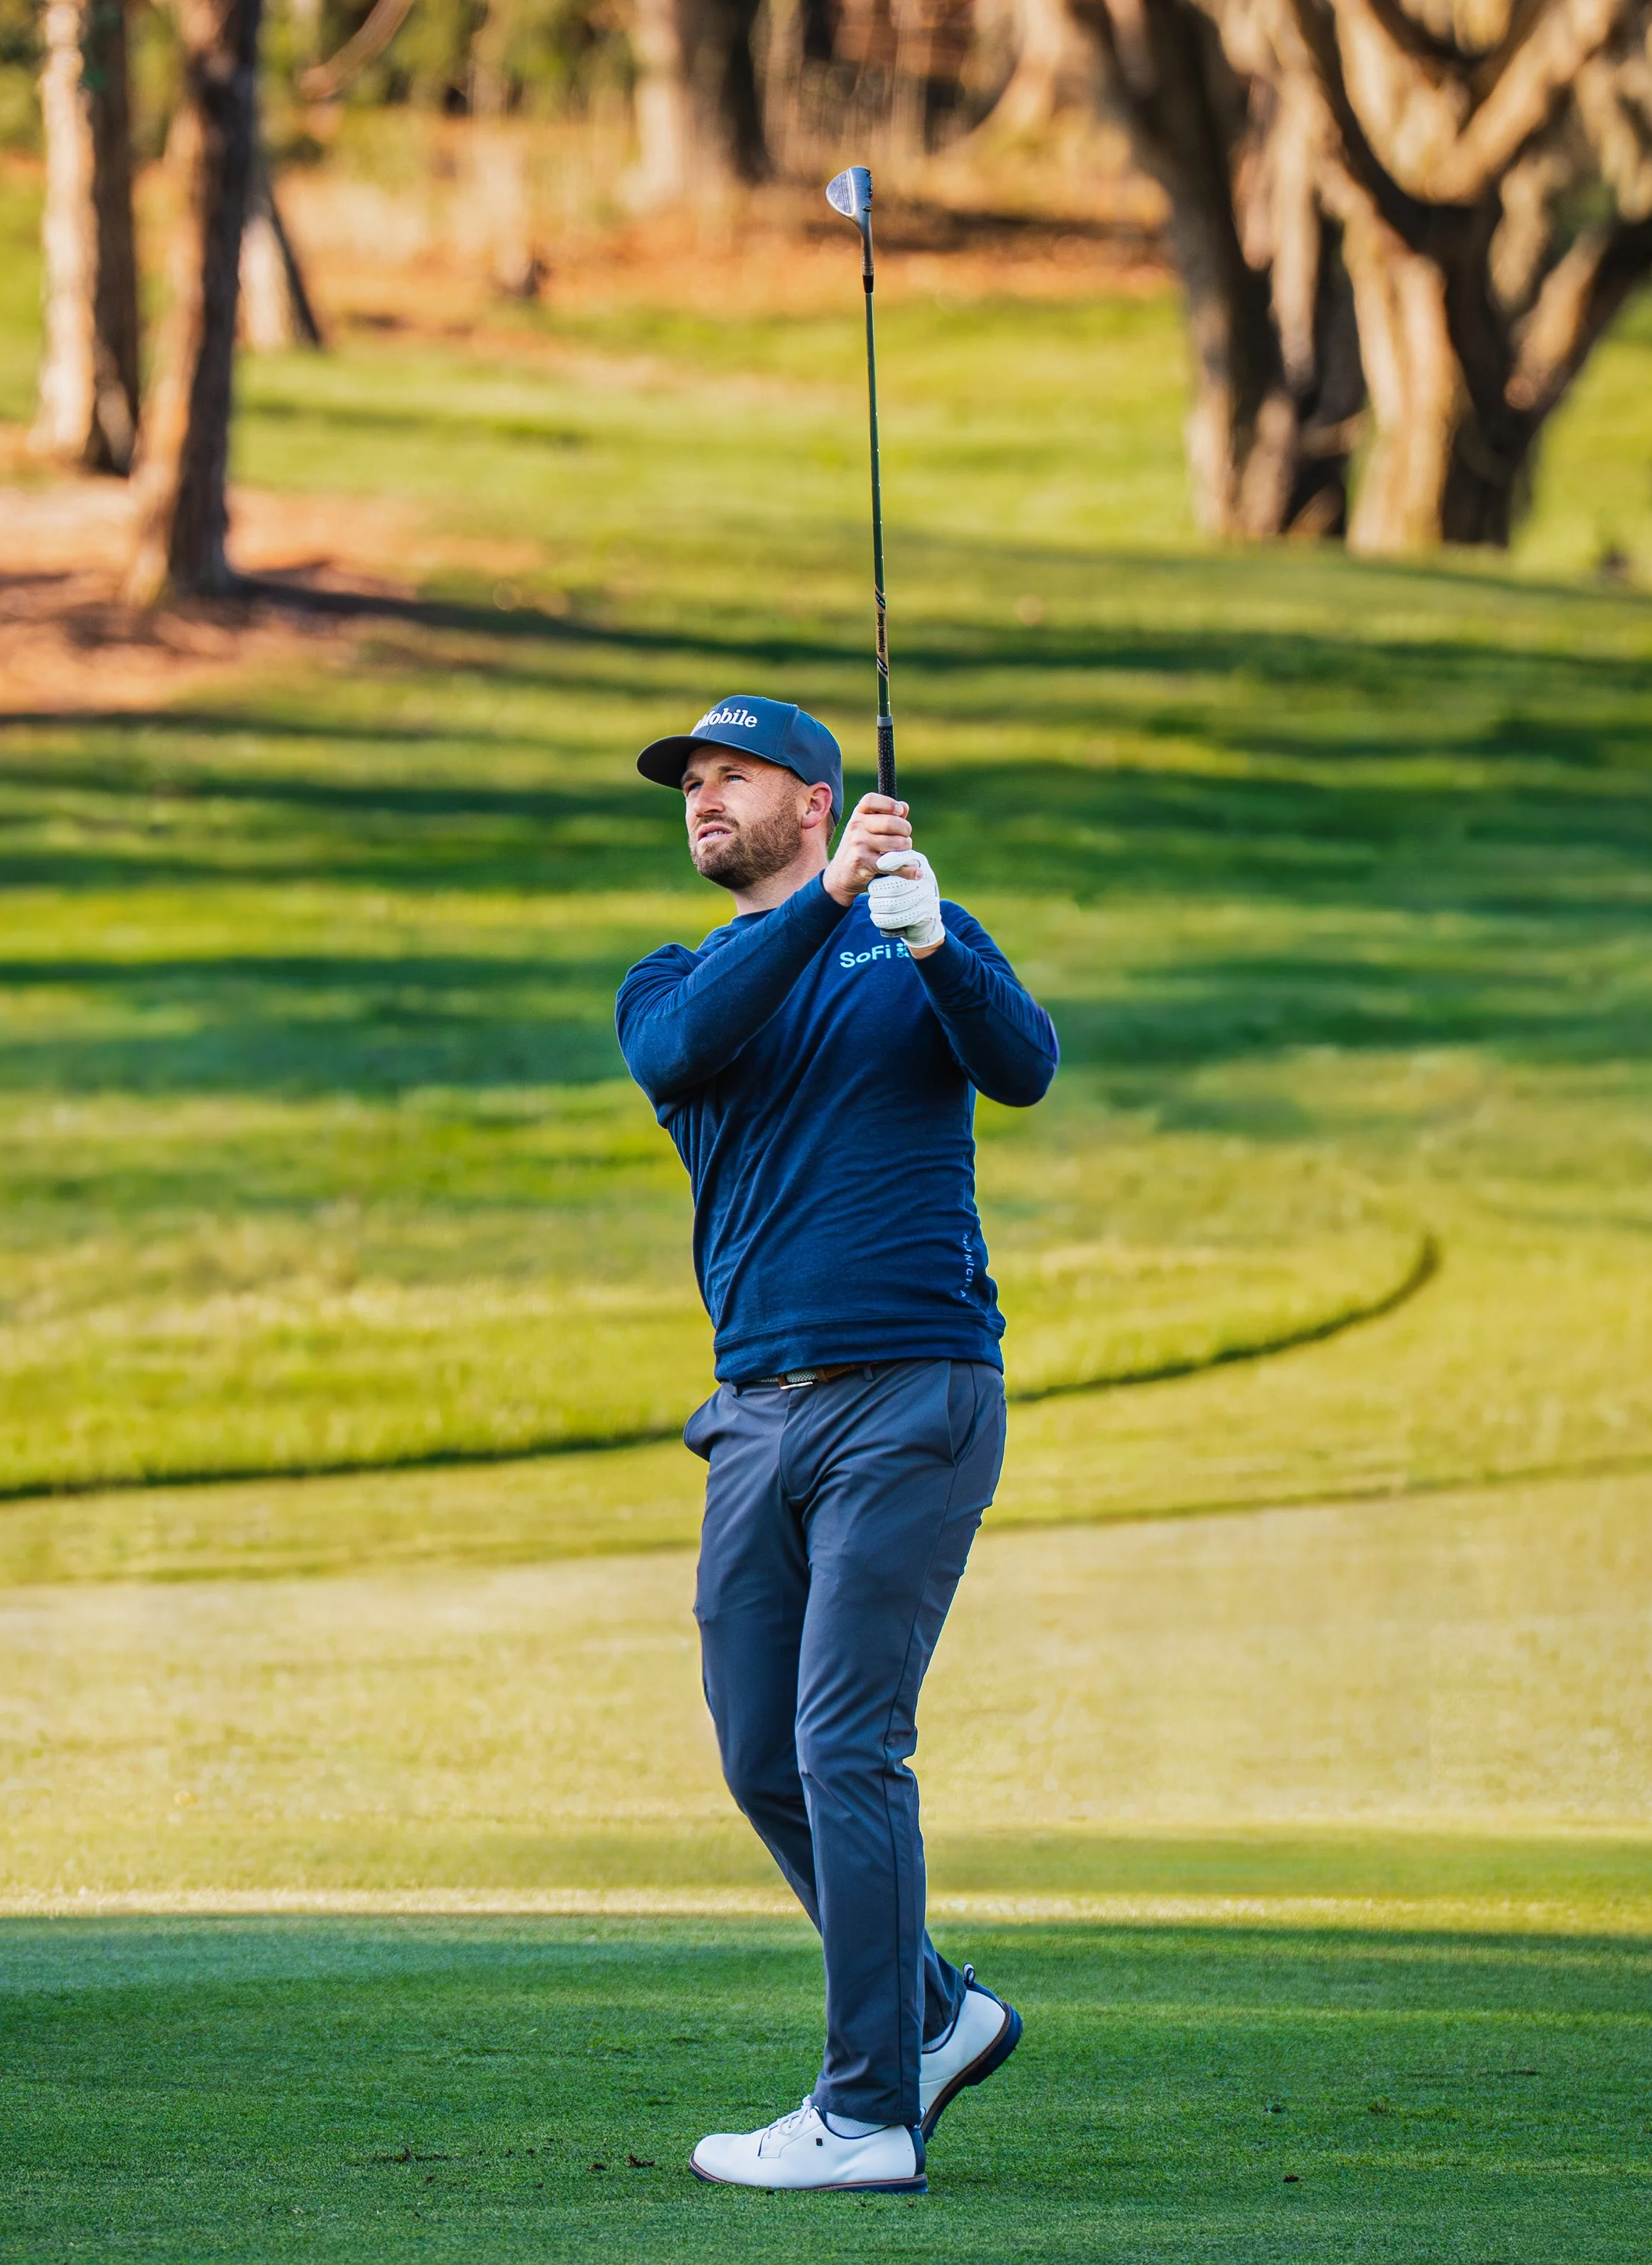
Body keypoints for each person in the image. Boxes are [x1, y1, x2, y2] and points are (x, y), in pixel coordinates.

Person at [615, 694, 1058, 2195]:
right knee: (759, 1748)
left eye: (732, 775)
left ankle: (869, 2105)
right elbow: (688, 1045)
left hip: (914, 1387)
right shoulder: (673, 977)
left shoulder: (912, 935)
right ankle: (934, 2010)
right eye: (688, 781)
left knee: (844, 1737)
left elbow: (1022, 1065)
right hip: (753, 1410)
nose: (699, 798)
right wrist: (824, 900)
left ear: (818, 795)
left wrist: (933, 941)